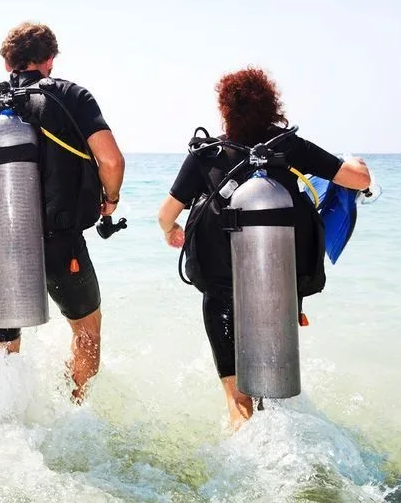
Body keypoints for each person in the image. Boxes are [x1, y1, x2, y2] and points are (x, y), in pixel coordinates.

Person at [157, 67, 371, 429]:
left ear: (225, 110)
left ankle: (240, 457)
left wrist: (172, 231)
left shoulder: (205, 155)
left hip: (223, 296)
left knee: (237, 401)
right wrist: (359, 164)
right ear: (272, 105)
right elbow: (358, 178)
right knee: (274, 398)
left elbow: (165, 215)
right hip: (278, 290)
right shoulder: (289, 148)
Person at [0, 22, 125, 401]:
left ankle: (6, 423)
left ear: (7, 62)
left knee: (2, 349)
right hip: (61, 243)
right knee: (86, 332)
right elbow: (112, 161)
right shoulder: (72, 96)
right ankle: (74, 407)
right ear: (50, 59)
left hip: (0, 249)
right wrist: (110, 200)